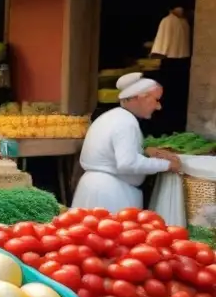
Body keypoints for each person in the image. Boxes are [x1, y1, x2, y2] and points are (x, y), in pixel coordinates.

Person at [72, 73, 181, 212]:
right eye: (156, 99)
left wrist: (145, 152)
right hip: (110, 195)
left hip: (97, 189)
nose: (158, 106)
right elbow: (127, 163)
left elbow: (113, 152)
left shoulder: (113, 116)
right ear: (142, 97)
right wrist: (166, 165)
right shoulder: (125, 123)